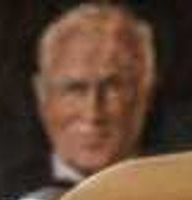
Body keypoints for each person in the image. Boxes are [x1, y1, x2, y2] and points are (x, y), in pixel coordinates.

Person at [35, 2, 158, 190]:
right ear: (42, 94)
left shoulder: (180, 196)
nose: (93, 113)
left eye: (112, 87)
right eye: (75, 89)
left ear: (144, 93)